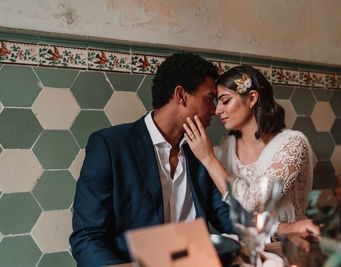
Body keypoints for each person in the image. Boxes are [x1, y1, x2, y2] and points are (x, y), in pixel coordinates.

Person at [69, 53, 234, 267]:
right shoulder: (110, 146)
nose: (215, 109)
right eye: (209, 99)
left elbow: (228, 220)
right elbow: (87, 237)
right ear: (181, 95)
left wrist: (278, 230)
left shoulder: (200, 151)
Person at [183, 65, 319, 241]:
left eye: (225, 101)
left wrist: (208, 158)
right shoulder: (227, 145)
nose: (217, 111)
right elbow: (230, 210)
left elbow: (253, 203)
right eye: (217, 102)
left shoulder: (293, 143)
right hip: (247, 247)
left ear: (252, 98)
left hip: (291, 247)